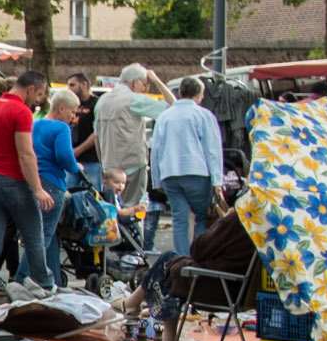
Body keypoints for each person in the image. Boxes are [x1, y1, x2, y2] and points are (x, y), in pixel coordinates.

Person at [112, 208, 255, 341]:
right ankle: (133, 303)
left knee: (171, 268)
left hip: (219, 288)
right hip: (242, 290)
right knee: (172, 259)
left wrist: (224, 220)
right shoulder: (267, 227)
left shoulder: (239, 220)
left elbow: (198, 250)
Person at [0, 71, 56, 299]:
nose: (38, 100)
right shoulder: (21, 111)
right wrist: (38, 189)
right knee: (33, 234)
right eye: (39, 94)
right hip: (13, 179)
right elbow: (26, 154)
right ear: (30, 88)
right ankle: (44, 281)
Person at [150, 77, 223, 255]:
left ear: (180, 92)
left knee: (179, 219)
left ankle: (182, 258)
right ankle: (200, 257)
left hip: (170, 174)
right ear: (199, 94)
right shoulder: (204, 116)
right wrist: (217, 181)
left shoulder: (164, 117)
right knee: (201, 218)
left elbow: (156, 150)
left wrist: (156, 180)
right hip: (197, 172)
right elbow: (212, 150)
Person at [94, 64, 174, 218]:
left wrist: (103, 163)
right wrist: (157, 81)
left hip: (109, 166)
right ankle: (136, 241)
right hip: (133, 165)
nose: (145, 88)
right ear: (135, 82)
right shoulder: (134, 100)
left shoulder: (102, 101)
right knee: (135, 213)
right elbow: (172, 106)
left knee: (112, 214)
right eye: (145, 84)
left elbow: (97, 136)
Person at [32, 88, 83, 289]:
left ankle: (44, 275)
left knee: (36, 233)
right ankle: (27, 277)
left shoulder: (35, 124)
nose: (74, 116)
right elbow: (64, 155)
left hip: (35, 180)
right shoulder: (61, 129)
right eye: (73, 111)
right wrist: (76, 167)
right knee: (43, 235)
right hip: (53, 183)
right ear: (61, 108)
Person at [66, 73, 102, 189]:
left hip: (90, 159)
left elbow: (97, 133)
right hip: (72, 160)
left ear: (84, 85)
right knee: (70, 194)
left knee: (92, 195)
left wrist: (78, 150)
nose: (69, 89)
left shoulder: (96, 104)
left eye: (72, 85)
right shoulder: (72, 105)